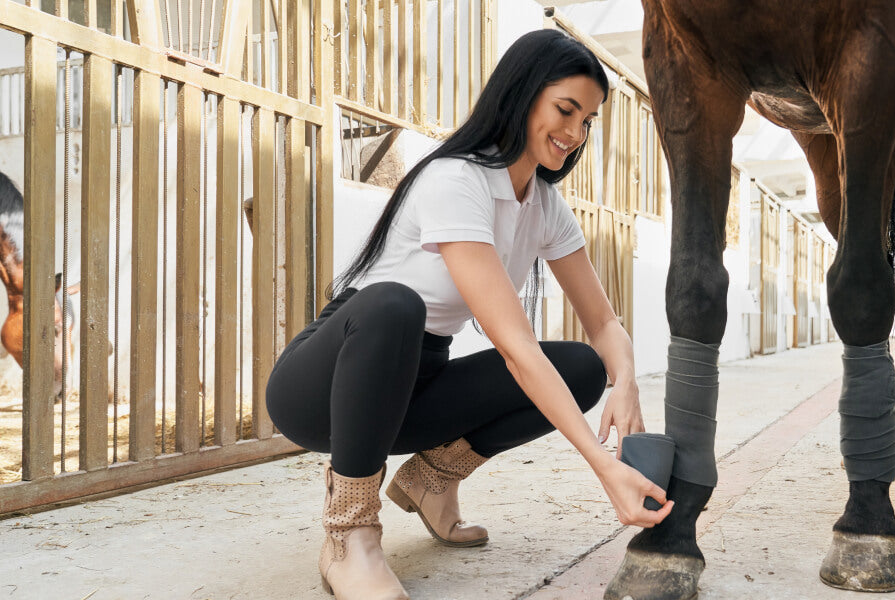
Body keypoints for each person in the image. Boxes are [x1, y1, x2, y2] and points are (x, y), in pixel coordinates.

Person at [265, 29, 674, 600]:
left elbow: (604, 324)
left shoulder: (546, 206)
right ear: (522, 94)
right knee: (393, 303)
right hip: (328, 382)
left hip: (411, 388)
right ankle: (349, 534)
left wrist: (624, 380)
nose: (575, 133)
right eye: (565, 110)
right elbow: (516, 348)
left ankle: (432, 483)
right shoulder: (455, 179)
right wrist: (605, 468)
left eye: (588, 121)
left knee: (582, 367)